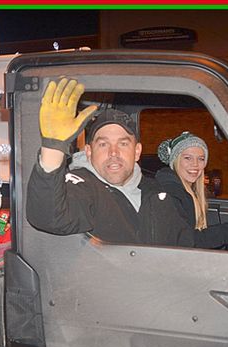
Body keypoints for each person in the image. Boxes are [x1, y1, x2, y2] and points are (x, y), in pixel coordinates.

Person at [26, 78, 196, 247]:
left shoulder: (155, 191)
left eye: (123, 143)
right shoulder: (84, 186)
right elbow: (48, 216)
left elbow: (184, 243)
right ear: (89, 152)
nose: (113, 153)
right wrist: (53, 148)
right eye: (103, 144)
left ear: (137, 151)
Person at [155, 131, 228, 249]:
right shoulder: (169, 194)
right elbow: (186, 241)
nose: (195, 164)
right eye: (188, 158)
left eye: (201, 159)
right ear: (175, 160)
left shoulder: (188, 191)